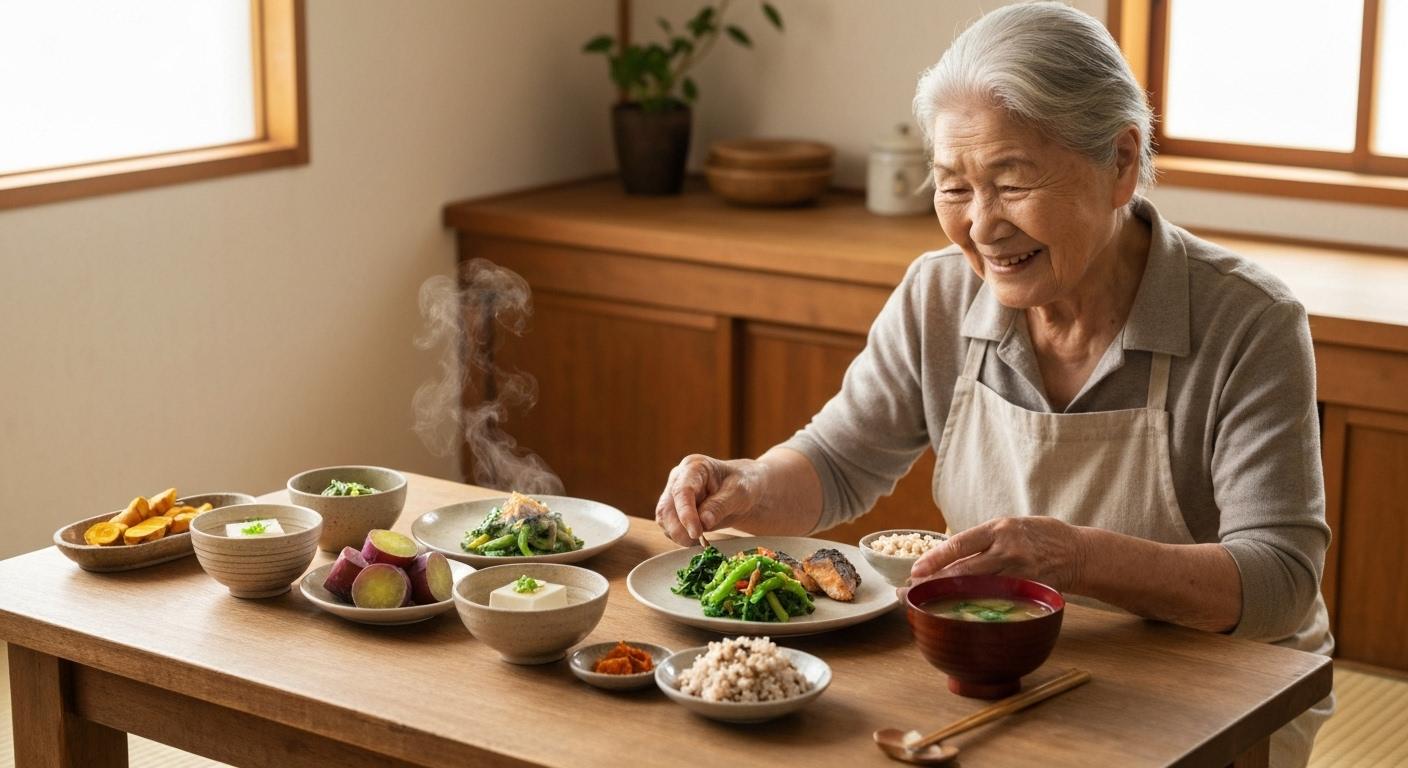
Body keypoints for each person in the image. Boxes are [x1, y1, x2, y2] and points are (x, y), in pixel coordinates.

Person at [651, 3, 1332, 765]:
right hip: (994, 673)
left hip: (1212, 688)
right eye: (952, 186)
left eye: (1010, 183)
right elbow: (837, 462)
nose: (981, 225)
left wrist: (1074, 559)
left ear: (1120, 163)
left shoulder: (1249, 320)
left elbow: (1280, 583)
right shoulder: (939, 294)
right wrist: (743, 483)